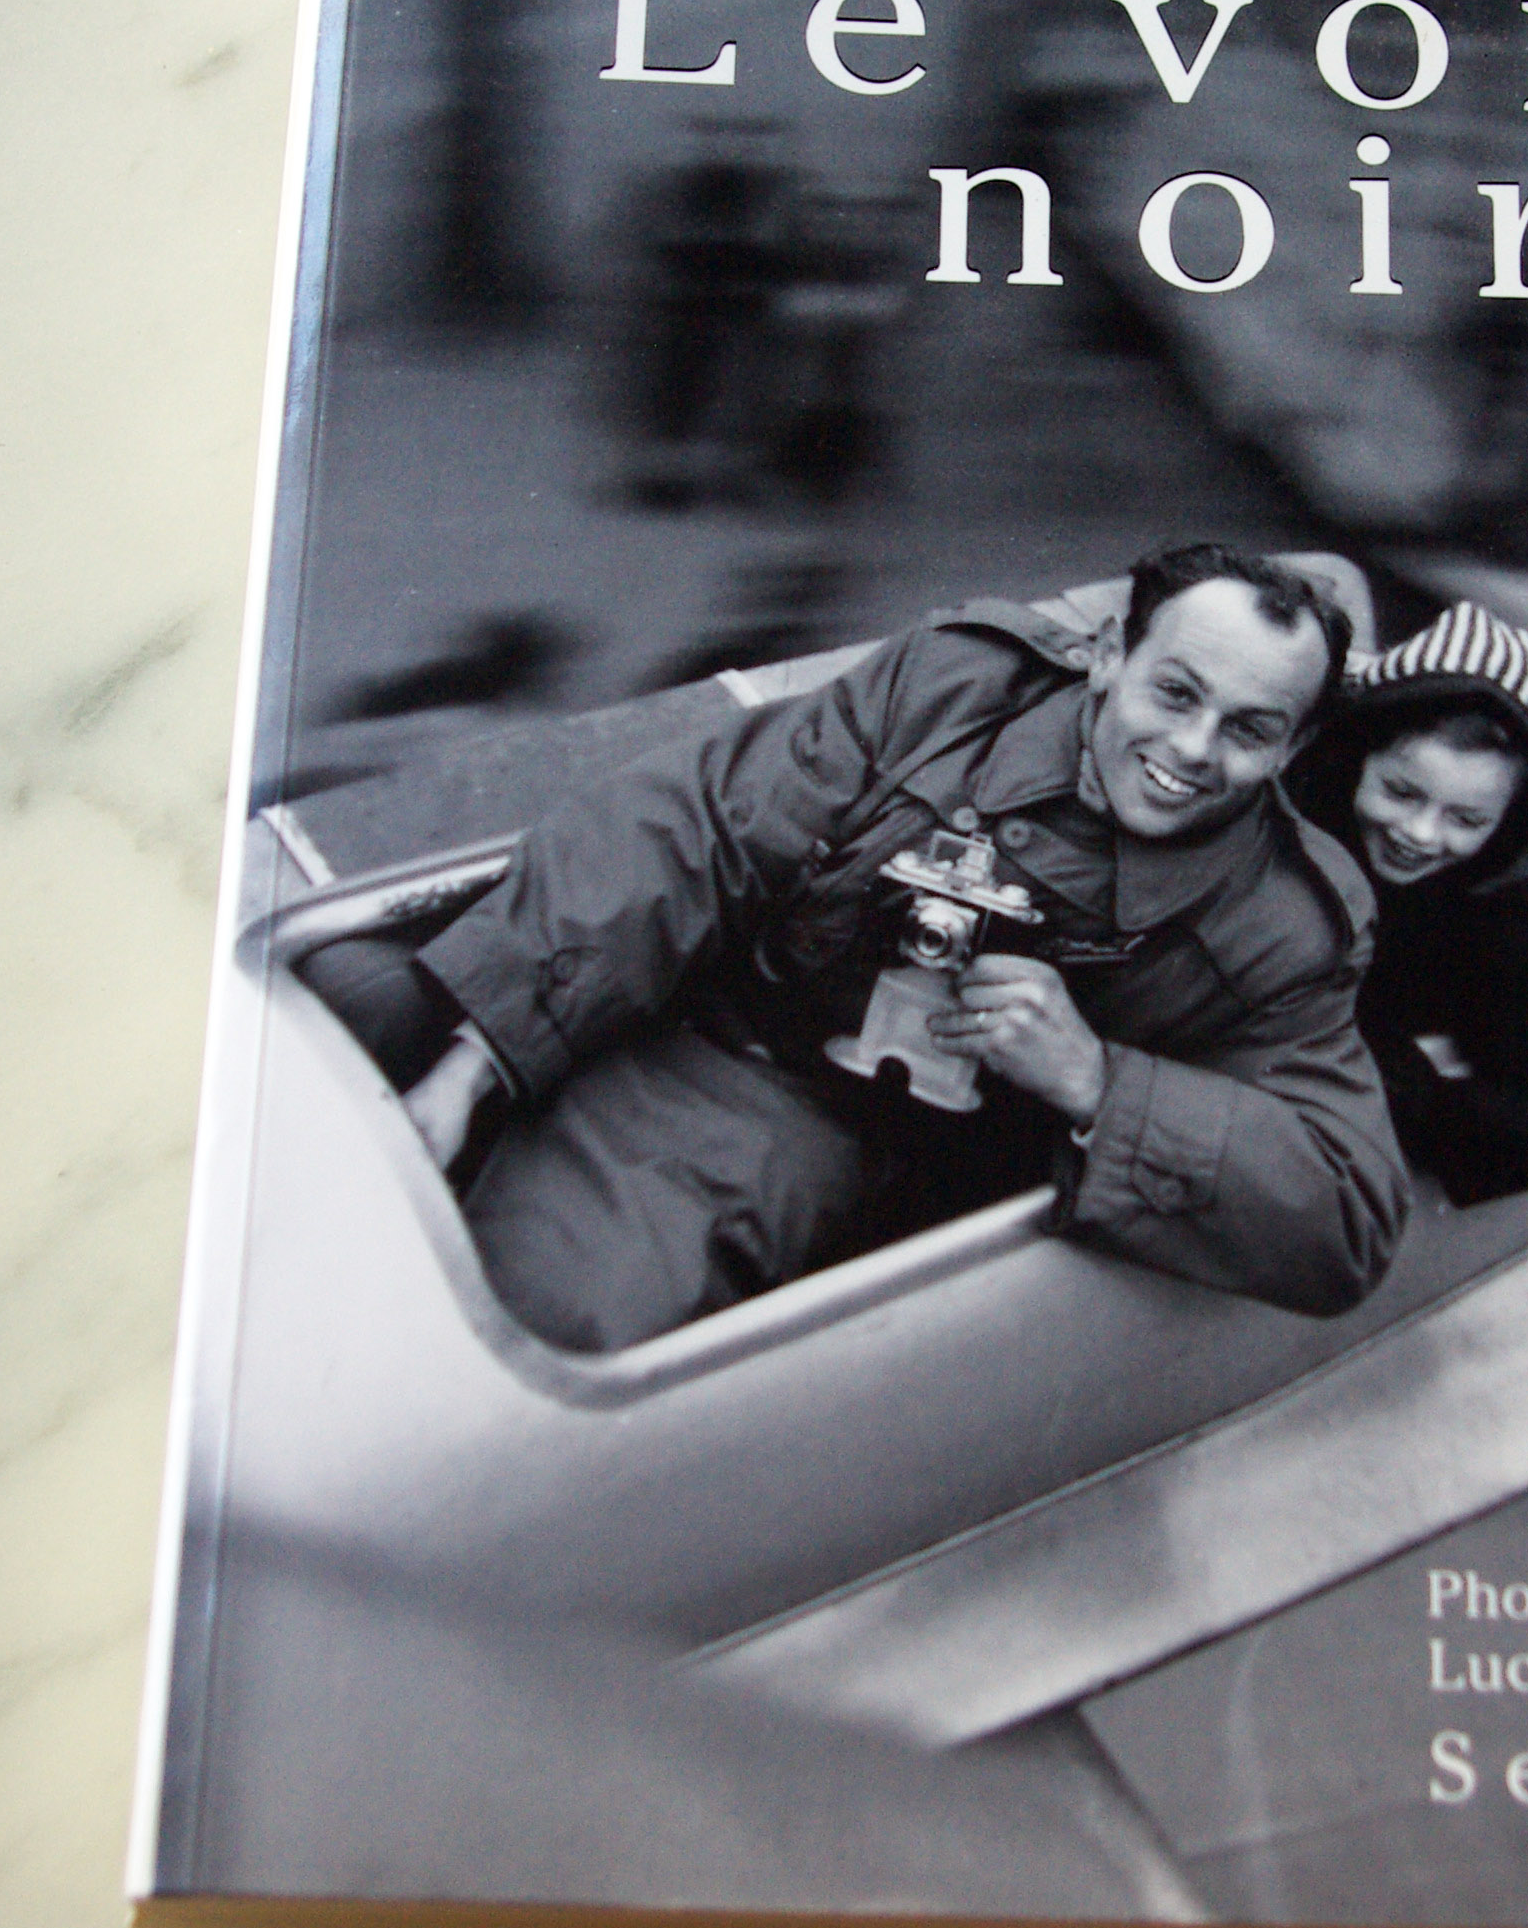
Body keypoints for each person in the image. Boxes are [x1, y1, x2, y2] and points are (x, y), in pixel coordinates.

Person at [307, 545, 1407, 1353]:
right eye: (1175, 692)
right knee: (325, 1014)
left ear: (1296, 745)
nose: (1192, 749)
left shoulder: (1285, 926)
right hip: (671, 965)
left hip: (786, 1106)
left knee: (537, 1309)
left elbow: (1348, 1215)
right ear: (1109, 654)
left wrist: (1095, 1081)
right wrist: (475, 1059)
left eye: (1250, 729)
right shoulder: (958, 682)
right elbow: (701, 824)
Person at [1288, 602, 1528, 1204]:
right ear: (1358, 754)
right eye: (1401, 791)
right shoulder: (1290, 784)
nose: (1420, 834)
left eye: (1466, 819)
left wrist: (1396, 1089)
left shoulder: (1513, 908)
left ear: (1509, 822)